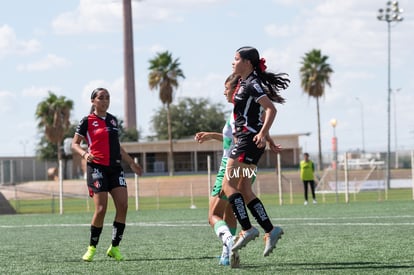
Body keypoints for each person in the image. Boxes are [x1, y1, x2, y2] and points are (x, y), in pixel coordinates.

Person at [196, 74, 282, 268]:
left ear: (235, 89)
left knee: (213, 216)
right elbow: (250, 129)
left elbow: (241, 138)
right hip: (249, 164)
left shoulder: (239, 110)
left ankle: (230, 242)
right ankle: (231, 252)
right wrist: (212, 136)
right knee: (232, 212)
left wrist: (268, 140)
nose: (224, 92)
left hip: (232, 163)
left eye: (226, 88)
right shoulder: (244, 111)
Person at [222, 46, 290, 258]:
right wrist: (266, 138)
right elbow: (257, 114)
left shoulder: (252, 84)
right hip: (250, 142)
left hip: (245, 142)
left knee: (228, 185)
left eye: (236, 59)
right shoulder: (244, 83)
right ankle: (270, 230)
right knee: (244, 188)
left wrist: (263, 133)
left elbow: (271, 109)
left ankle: (247, 228)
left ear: (248, 63)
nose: (232, 63)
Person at [71, 87, 142, 262]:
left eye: (107, 98)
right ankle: (92, 248)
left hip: (115, 168)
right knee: (101, 209)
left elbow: (117, 145)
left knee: (123, 206)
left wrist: (131, 162)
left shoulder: (113, 120)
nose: (105, 101)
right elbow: (74, 144)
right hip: (97, 168)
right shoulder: (87, 121)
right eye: (101, 98)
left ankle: (114, 248)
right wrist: (85, 154)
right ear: (93, 101)